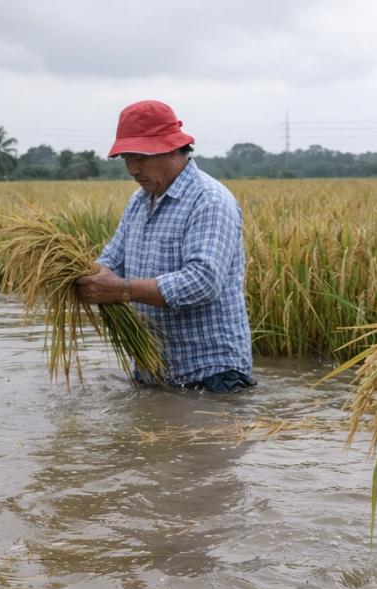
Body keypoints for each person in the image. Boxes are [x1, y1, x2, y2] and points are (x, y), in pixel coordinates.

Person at [75, 100, 254, 392]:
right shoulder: (139, 202)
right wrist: (78, 274)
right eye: (126, 159)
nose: (132, 169)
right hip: (155, 371)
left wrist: (121, 290)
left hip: (211, 377)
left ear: (171, 148)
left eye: (140, 157)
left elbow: (202, 282)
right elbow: (111, 261)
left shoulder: (209, 200)